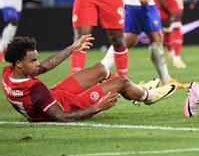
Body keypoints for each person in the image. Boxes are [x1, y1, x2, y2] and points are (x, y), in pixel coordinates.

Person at [1, 34, 177, 122]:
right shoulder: (35, 89)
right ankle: (148, 96)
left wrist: (72, 48)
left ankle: (134, 91)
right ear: (18, 63)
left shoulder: (8, 74)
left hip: (55, 95)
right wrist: (97, 107)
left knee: (100, 69)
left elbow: (44, 66)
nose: (37, 63)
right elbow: (62, 117)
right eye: (33, 60)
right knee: (121, 82)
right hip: (70, 104)